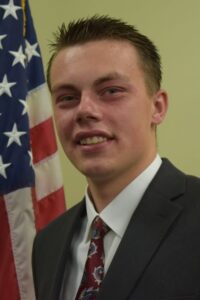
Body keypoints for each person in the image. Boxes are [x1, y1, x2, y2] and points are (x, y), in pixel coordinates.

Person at [32, 15, 200, 300]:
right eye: (67, 97)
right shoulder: (47, 243)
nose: (84, 110)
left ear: (157, 107)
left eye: (111, 91)